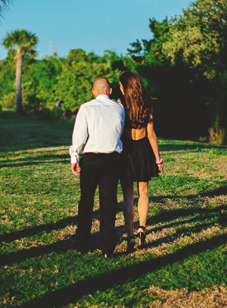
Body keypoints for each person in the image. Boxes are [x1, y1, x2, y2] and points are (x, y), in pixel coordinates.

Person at [69, 77, 125, 257]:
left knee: (86, 200)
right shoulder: (119, 108)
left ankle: (82, 242)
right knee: (108, 202)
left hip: (91, 159)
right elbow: (120, 132)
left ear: (93, 91)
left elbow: (79, 136)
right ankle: (108, 246)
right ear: (110, 91)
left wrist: (74, 156)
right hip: (112, 159)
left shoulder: (86, 108)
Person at [118, 71, 163, 251]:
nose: (119, 87)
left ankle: (130, 235)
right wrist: (158, 159)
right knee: (143, 191)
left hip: (127, 151)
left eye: (121, 85)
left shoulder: (120, 105)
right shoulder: (147, 104)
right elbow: (151, 134)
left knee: (128, 195)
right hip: (143, 149)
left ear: (126, 86)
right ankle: (142, 229)